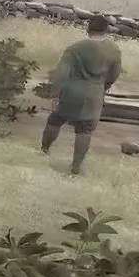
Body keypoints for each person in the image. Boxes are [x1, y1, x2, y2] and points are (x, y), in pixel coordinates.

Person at [42, 14, 122, 175]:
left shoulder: (75, 49)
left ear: (88, 28)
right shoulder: (114, 50)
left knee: (55, 120)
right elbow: (114, 75)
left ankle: (44, 150)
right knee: (85, 130)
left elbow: (61, 74)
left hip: (71, 93)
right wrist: (103, 87)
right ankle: (76, 167)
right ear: (107, 30)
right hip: (94, 94)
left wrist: (55, 95)